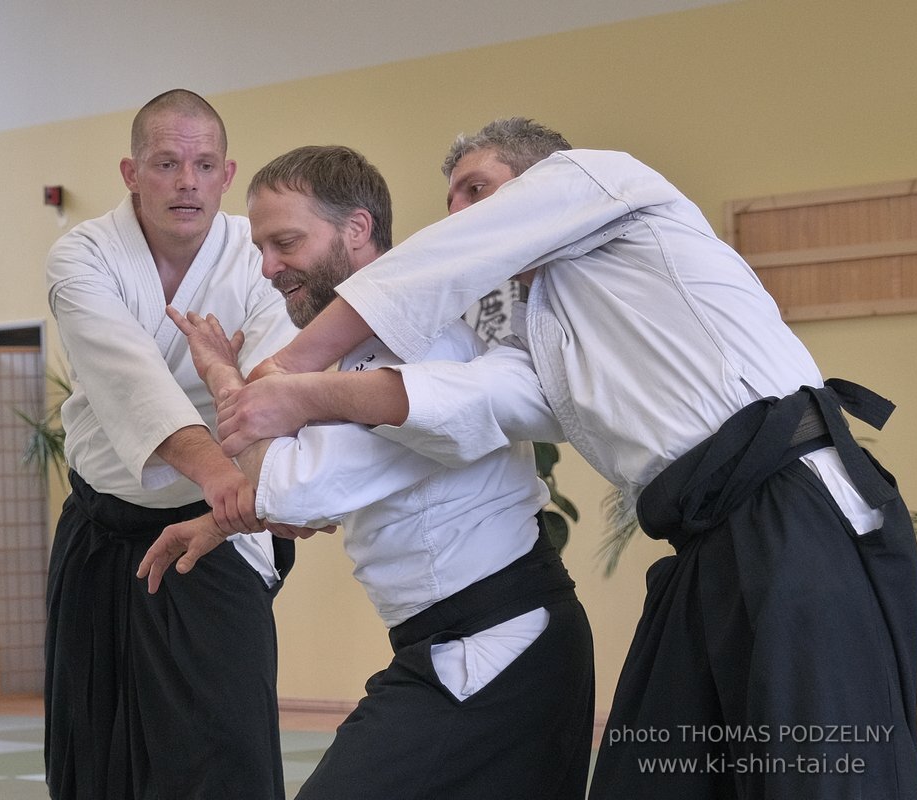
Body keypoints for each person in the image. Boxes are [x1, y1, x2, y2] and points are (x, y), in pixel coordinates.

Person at [212, 120, 917, 799]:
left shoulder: (604, 179)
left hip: (791, 509)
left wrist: (286, 377)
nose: (461, 212)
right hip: (706, 542)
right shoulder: (542, 336)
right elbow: (465, 402)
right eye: (452, 198)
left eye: (477, 189)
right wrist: (274, 430)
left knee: (823, 772)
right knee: (655, 777)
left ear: (541, 175)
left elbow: (430, 281)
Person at [139, 145, 595, 799]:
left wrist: (220, 374)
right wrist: (222, 520)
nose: (269, 268)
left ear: (356, 229)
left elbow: (288, 485)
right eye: (261, 249)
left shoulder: (422, 350)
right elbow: (302, 496)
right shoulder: (350, 362)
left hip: (495, 646)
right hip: (462, 644)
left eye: (286, 242)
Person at [43, 89, 301, 800]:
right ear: (131, 173)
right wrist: (228, 480)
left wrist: (228, 500)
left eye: (203, 164)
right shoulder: (84, 257)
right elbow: (131, 383)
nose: (187, 181)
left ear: (226, 173)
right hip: (107, 533)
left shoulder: (260, 256)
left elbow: (275, 386)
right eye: (166, 163)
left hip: (213, 534)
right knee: (92, 745)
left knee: (223, 743)